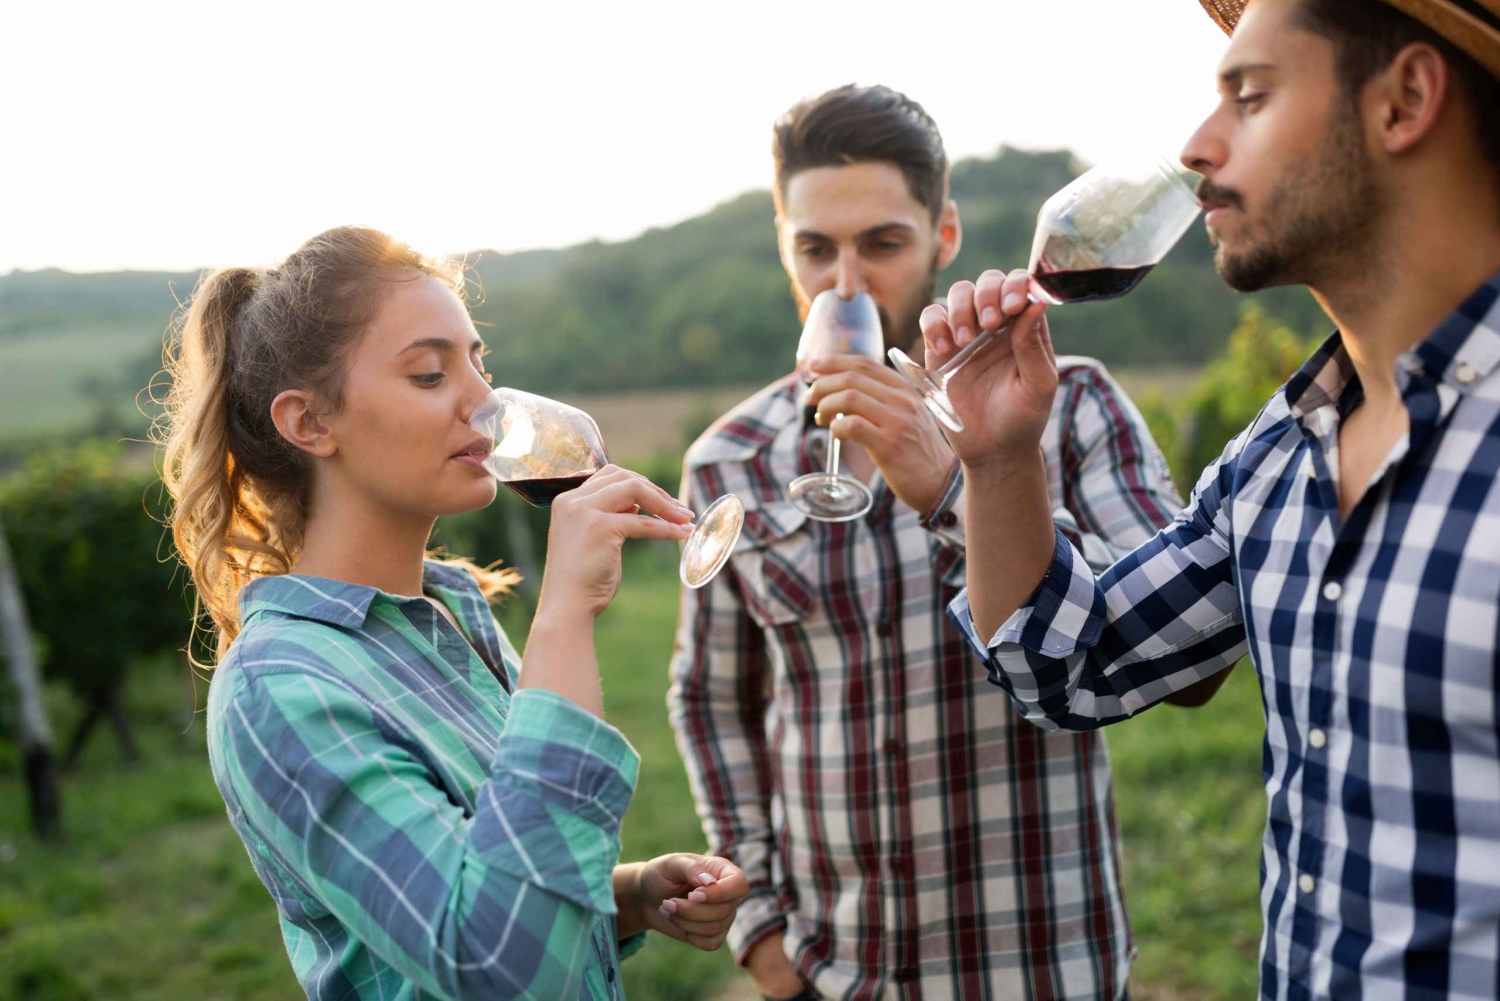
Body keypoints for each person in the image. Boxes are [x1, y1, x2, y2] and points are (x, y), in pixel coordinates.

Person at [918, 1, 1500, 997]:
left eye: (1251, 95)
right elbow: (1073, 663)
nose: (1197, 145)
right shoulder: (1276, 459)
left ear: (1404, 99)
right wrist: (1000, 461)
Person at [668, 84, 1215, 1001]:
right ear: (782, 246)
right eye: (815, 248)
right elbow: (712, 699)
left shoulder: (1071, 406)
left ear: (944, 236)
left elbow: (1191, 669)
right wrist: (764, 940)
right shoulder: (728, 459)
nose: (846, 283)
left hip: (1037, 968)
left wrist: (961, 487)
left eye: (881, 243)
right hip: (834, 974)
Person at [159, 226, 749, 1000]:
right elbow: (496, 964)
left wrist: (628, 893)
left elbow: (499, 869)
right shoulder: (279, 687)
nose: (487, 404)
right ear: (309, 423)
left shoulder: (448, 611)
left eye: (481, 363)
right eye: (431, 374)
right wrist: (565, 614)